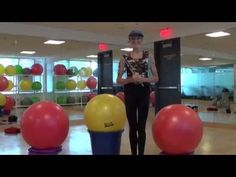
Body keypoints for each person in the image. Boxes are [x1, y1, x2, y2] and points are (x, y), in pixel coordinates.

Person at [116, 30, 159, 155]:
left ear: (142, 40)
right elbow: (118, 80)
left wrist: (143, 79)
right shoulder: (124, 58)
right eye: (133, 39)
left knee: (141, 127)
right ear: (129, 40)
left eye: (138, 39)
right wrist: (131, 79)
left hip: (144, 92)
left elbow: (156, 78)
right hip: (130, 92)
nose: (135, 41)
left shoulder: (148, 56)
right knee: (132, 126)